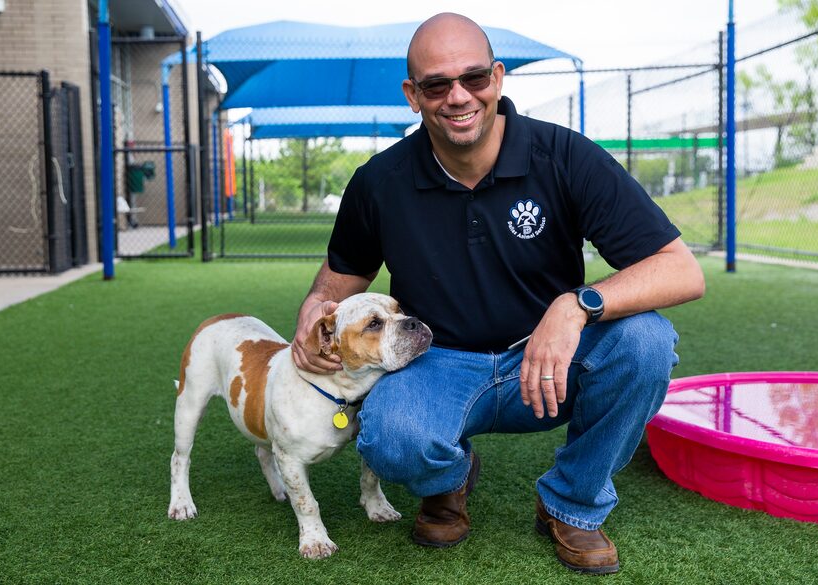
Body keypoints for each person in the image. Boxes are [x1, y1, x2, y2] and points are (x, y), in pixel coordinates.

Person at [292, 12, 705, 575]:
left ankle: (572, 505)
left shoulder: (564, 156)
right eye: (437, 85)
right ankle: (450, 479)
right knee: (390, 437)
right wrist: (311, 314)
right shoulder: (379, 182)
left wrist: (575, 305)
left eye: (475, 78)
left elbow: (681, 270)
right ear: (413, 96)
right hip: (434, 361)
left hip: (546, 362)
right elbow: (336, 284)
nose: (459, 96)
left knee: (646, 342)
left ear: (499, 78)